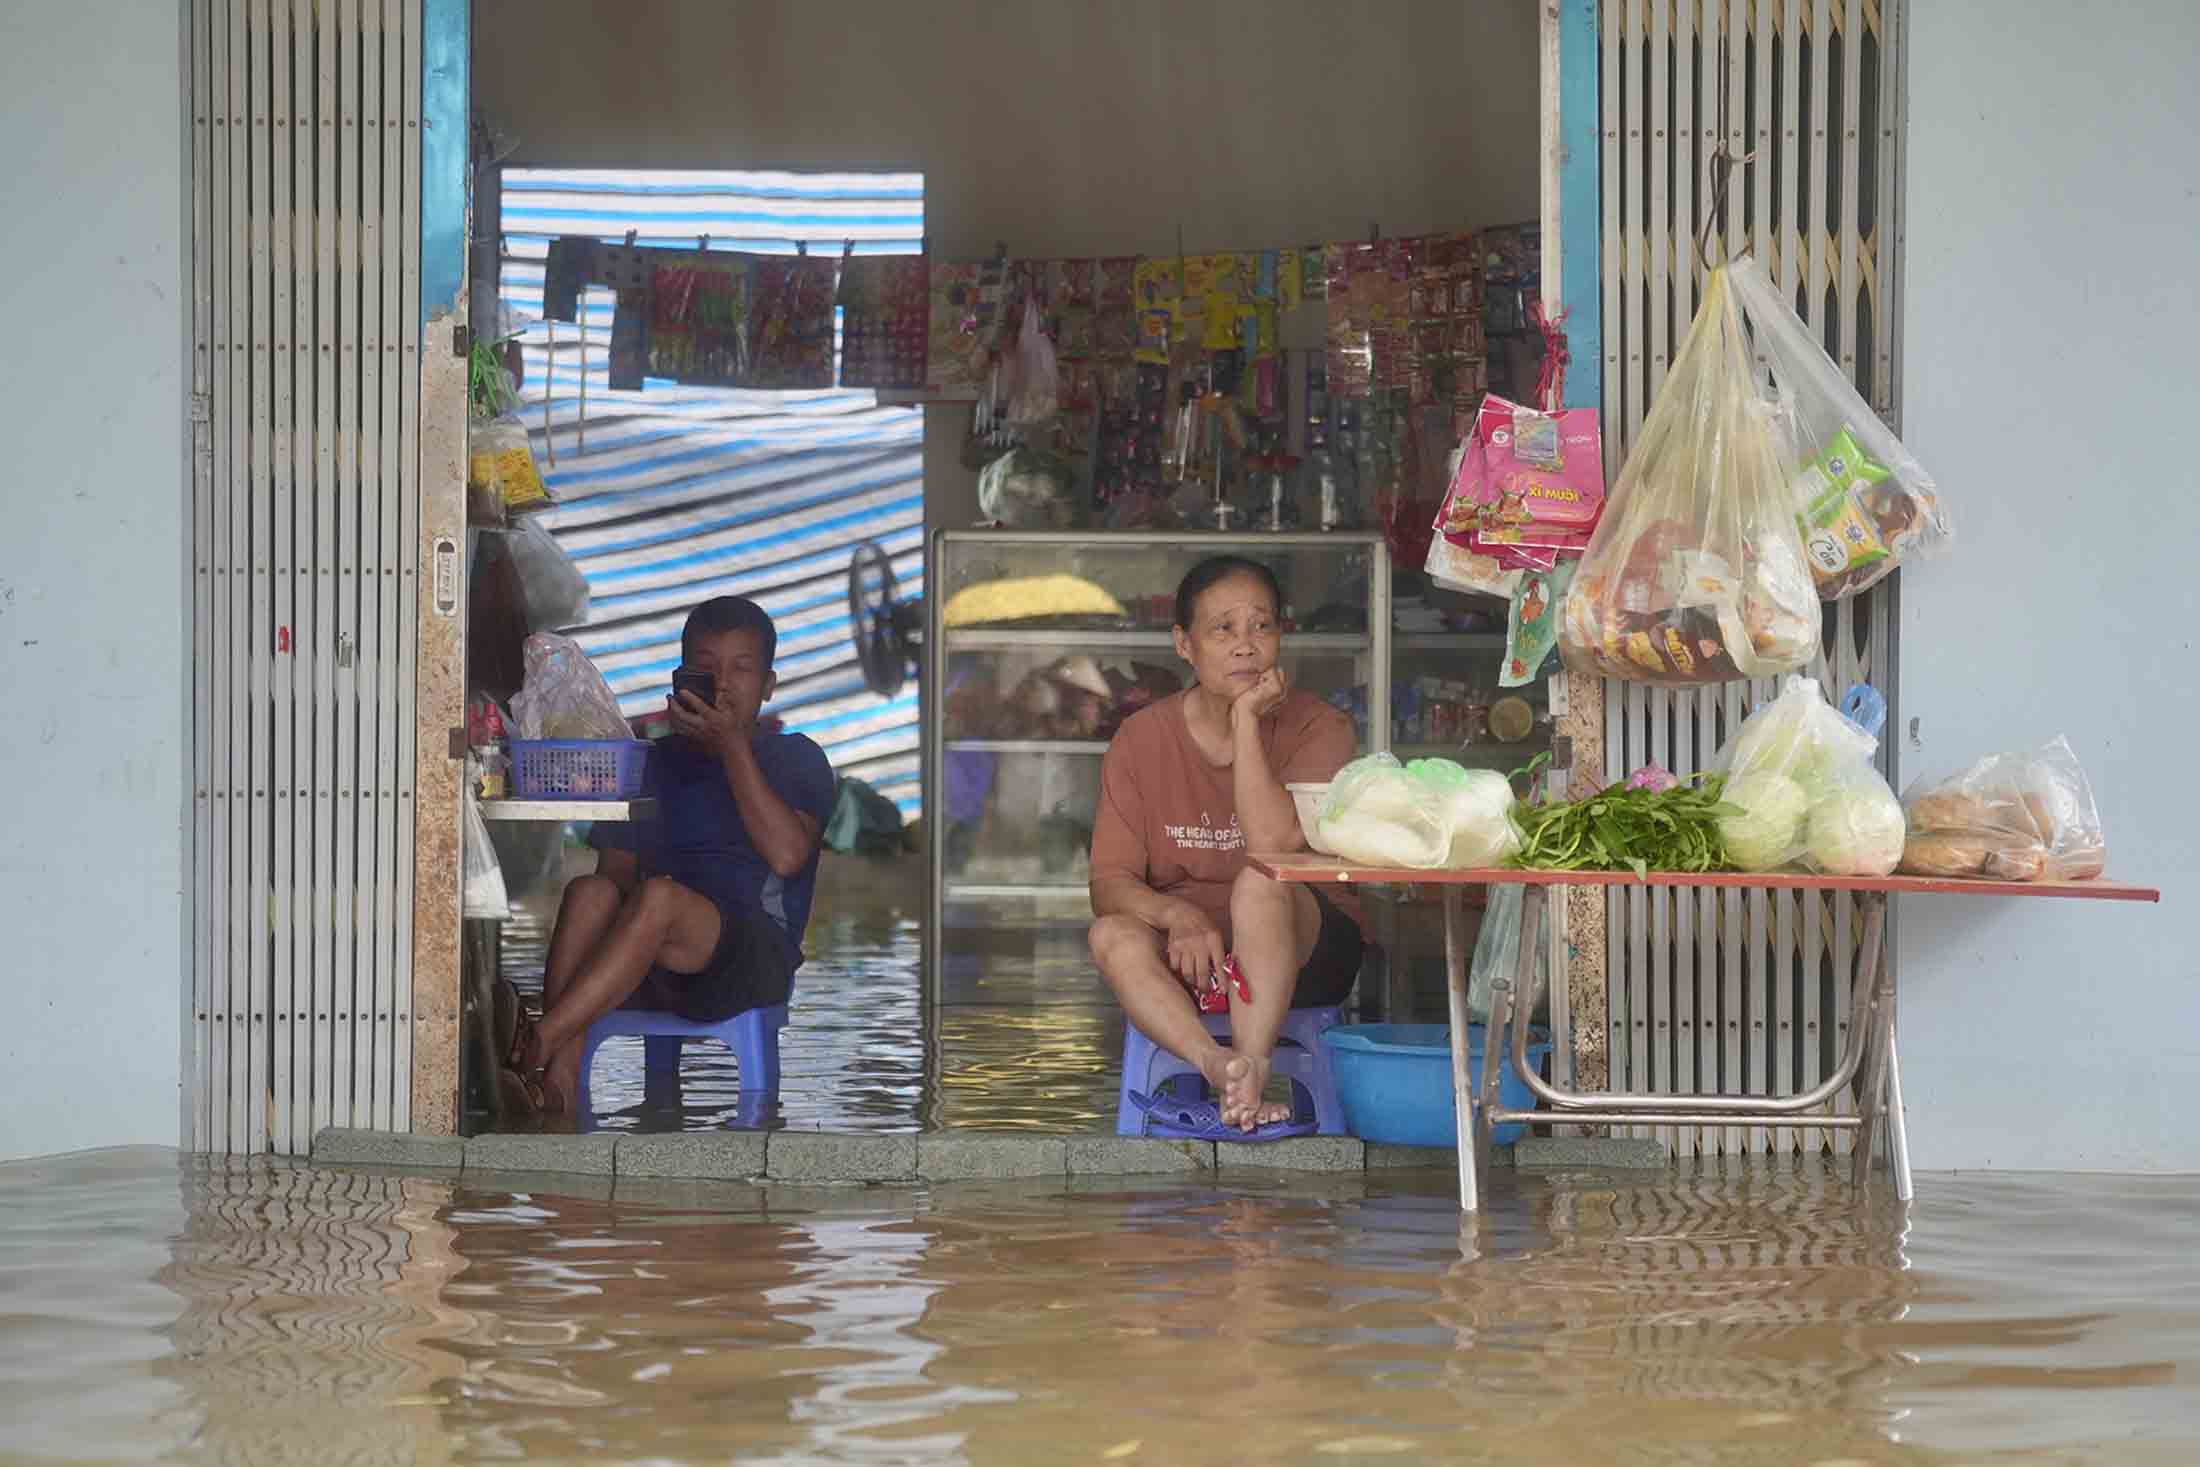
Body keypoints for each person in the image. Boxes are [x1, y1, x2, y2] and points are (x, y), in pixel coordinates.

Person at [499, 596, 836, 1119]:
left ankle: (537, 1041)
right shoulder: (652, 760)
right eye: (706, 669)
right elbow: (613, 875)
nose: (721, 684)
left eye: (741, 670)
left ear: (767, 685)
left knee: (661, 898)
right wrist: (625, 928)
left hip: (751, 960)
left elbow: (789, 855)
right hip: (651, 954)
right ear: (681, 677)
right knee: (589, 891)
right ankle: (558, 1088)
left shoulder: (797, 758)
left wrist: (731, 748)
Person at [1087, 556, 1364, 1133]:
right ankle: (1220, 1064)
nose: (1245, 645)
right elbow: (1108, 884)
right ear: (1184, 644)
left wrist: (1245, 723)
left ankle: (1256, 1067)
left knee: (1259, 882)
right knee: (1111, 934)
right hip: (1192, 954)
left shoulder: (1321, 728)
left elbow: (1273, 849)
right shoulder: (1141, 739)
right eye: (1223, 629)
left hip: (1303, 941)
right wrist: (1176, 913)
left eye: (1261, 626)